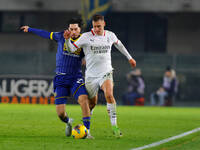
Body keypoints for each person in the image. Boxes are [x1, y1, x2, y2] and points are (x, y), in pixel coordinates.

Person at [64, 14, 136, 138]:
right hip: (91, 76)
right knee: (92, 103)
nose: (96, 29)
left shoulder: (110, 35)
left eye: (99, 26)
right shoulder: (86, 37)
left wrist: (129, 58)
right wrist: (67, 40)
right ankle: (87, 130)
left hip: (106, 72)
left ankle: (115, 127)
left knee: (109, 94)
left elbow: (119, 44)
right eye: (94, 26)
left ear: (104, 24)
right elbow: (70, 49)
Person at [20, 18, 93, 139]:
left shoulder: (84, 41)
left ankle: (87, 131)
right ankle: (68, 121)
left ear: (80, 29)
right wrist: (30, 29)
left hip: (76, 77)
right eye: (71, 29)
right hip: (61, 78)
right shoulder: (60, 36)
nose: (73, 31)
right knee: (60, 114)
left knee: (83, 100)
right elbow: (45, 33)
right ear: (68, 29)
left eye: (76, 29)